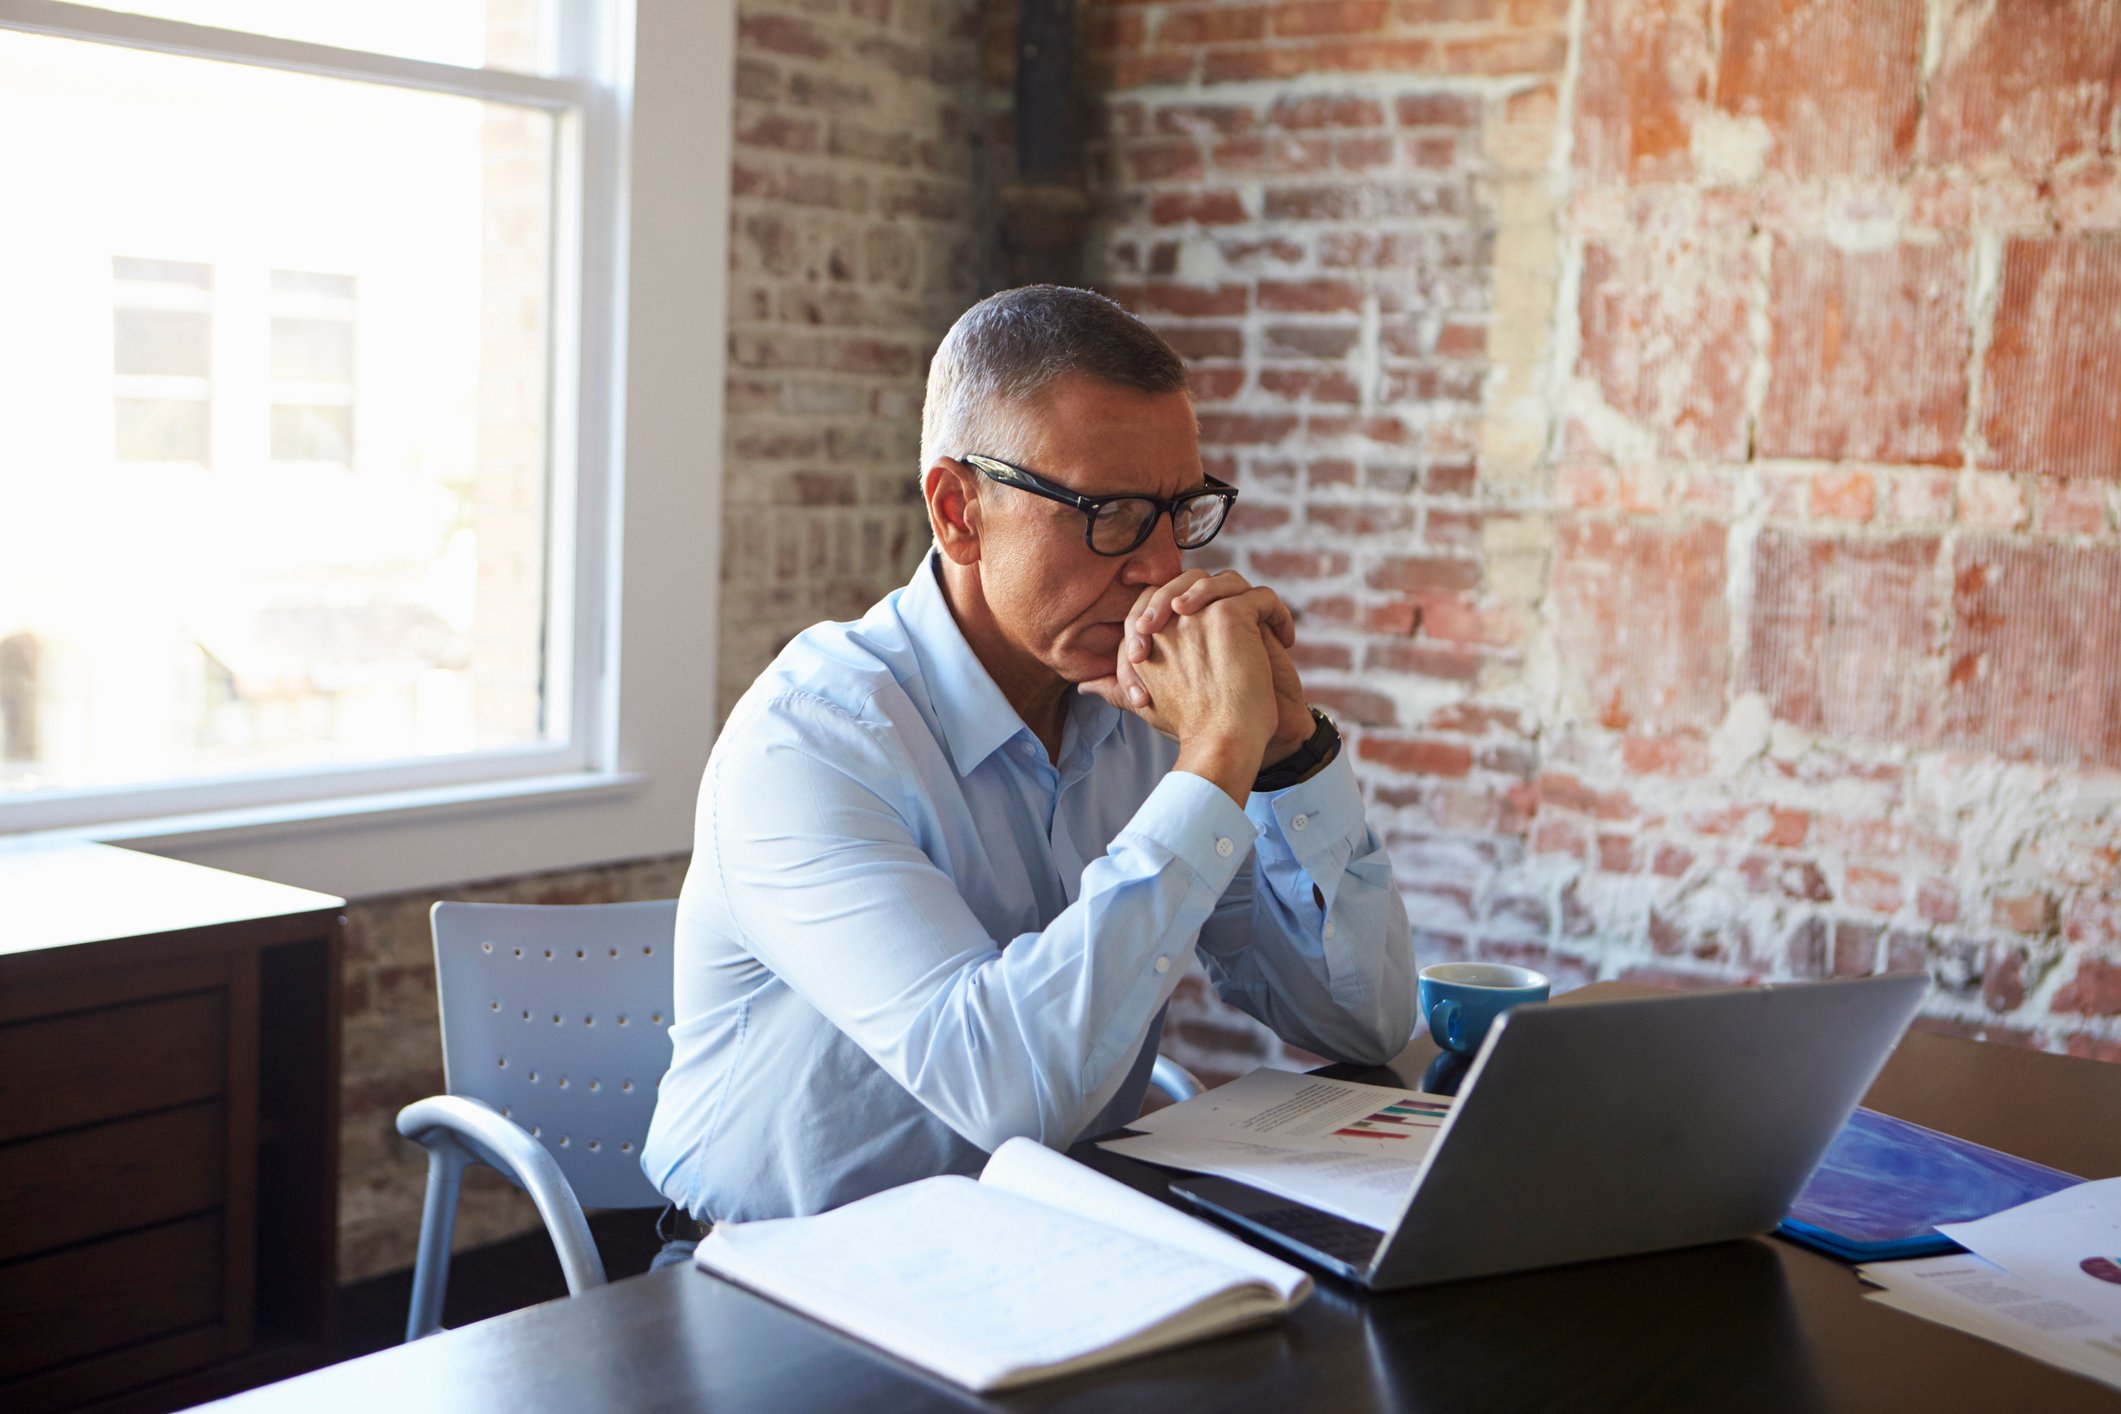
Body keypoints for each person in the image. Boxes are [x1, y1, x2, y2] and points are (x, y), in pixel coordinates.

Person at [641, 285, 1417, 1240]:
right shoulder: (810, 739)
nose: (1159, 565)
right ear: (957, 511)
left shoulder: (1137, 707)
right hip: (771, 1279)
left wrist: (1287, 756)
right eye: (1113, 514)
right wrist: (1217, 755)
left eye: (1181, 511)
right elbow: (1008, 1094)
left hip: (1054, 1242)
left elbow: (1362, 1027)